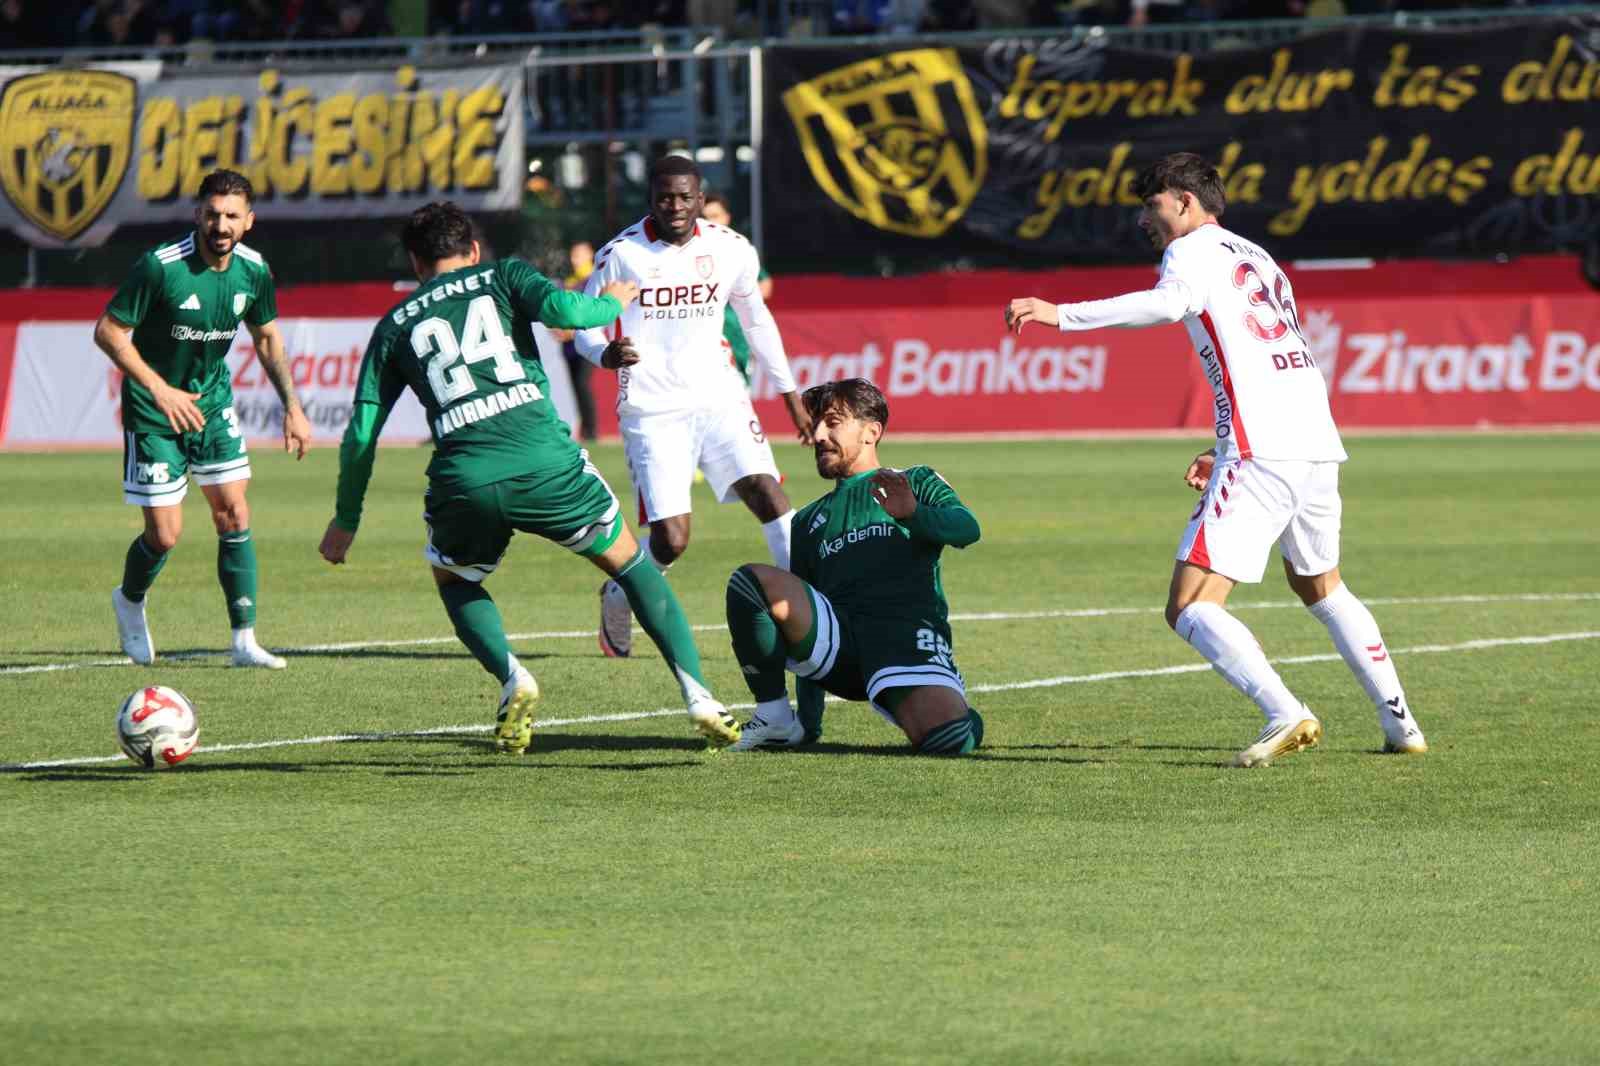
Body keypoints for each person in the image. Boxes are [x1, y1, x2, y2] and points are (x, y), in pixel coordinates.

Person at [1005, 151, 1428, 767]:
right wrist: (1224, 438)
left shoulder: (1191, 251)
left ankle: (1285, 711)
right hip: (1312, 441)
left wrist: (1060, 314)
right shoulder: (1255, 255)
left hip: (1262, 448)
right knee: (1322, 585)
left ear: (1183, 199)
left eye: (1151, 206)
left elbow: (1165, 304)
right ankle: (1402, 725)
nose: (1145, 220)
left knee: (1189, 605)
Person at [317, 202, 740, 753]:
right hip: (545, 463)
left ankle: (513, 678)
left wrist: (346, 518)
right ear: (472, 251)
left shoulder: (394, 325)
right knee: (634, 567)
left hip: (464, 478)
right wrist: (611, 299)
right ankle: (700, 696)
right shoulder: (503, 274)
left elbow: (360, 433)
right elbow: (571, 313)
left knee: (457, 580)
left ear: (416, 263)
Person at [574, 155, 813, 659]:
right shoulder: (621, 254)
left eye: (685, 197)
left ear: (701, 198)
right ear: (652, 199)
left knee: (770, 497)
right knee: (672, 540)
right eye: (665, 197)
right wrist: (605, 353)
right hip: (653, 410)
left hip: (722, 398)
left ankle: (806, 621)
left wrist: (791, 396)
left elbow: (757, 321)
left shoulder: (730, 248)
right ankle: (618, 593)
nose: (676, 206)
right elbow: (584, 326)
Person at [95, 168, 310, 670]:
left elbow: (266, 338)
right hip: (154, 411)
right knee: (164, 536)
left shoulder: (254, 271)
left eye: (232, 215)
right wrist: (160, 389)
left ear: (248, 221)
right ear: (198, 215)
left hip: (212, 405)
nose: (220, 224)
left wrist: (294, 407)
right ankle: (129, 599)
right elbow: (108, 331)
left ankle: (244, 641)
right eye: (212, 214)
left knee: (234, 512)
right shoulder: (159, 267)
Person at [723, 378, 985, 755]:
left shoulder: (914, 481)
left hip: (903, 636)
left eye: (832, 422)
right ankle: (775, 718)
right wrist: (809, 726)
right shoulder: (807, 521)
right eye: (815, 424)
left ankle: (949, 701)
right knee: (751, 582)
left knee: (951, 741)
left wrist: (914, 514)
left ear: (870, 432)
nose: (817, 435)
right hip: (842, 646)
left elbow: (967, 529)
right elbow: (803, 621)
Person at [700, 191, 773, 386]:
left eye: (715, 216)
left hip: (736, 341)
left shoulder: (738, 249)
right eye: (705, 218)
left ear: (726, 217)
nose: (710, 223)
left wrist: (728, 290)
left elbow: (765, 285)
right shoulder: (688, 251)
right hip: (700, 344)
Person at [559, 239, 600, 441]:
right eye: (573, 255)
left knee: (582, 383)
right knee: (575, 385)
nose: (575, 259)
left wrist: (574, 331)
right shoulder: (569, 282)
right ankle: (585, 430)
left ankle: (592, 430)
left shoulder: (593, 278)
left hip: (586, 340)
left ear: (589, 254)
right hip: (568, 345)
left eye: (579, 255)